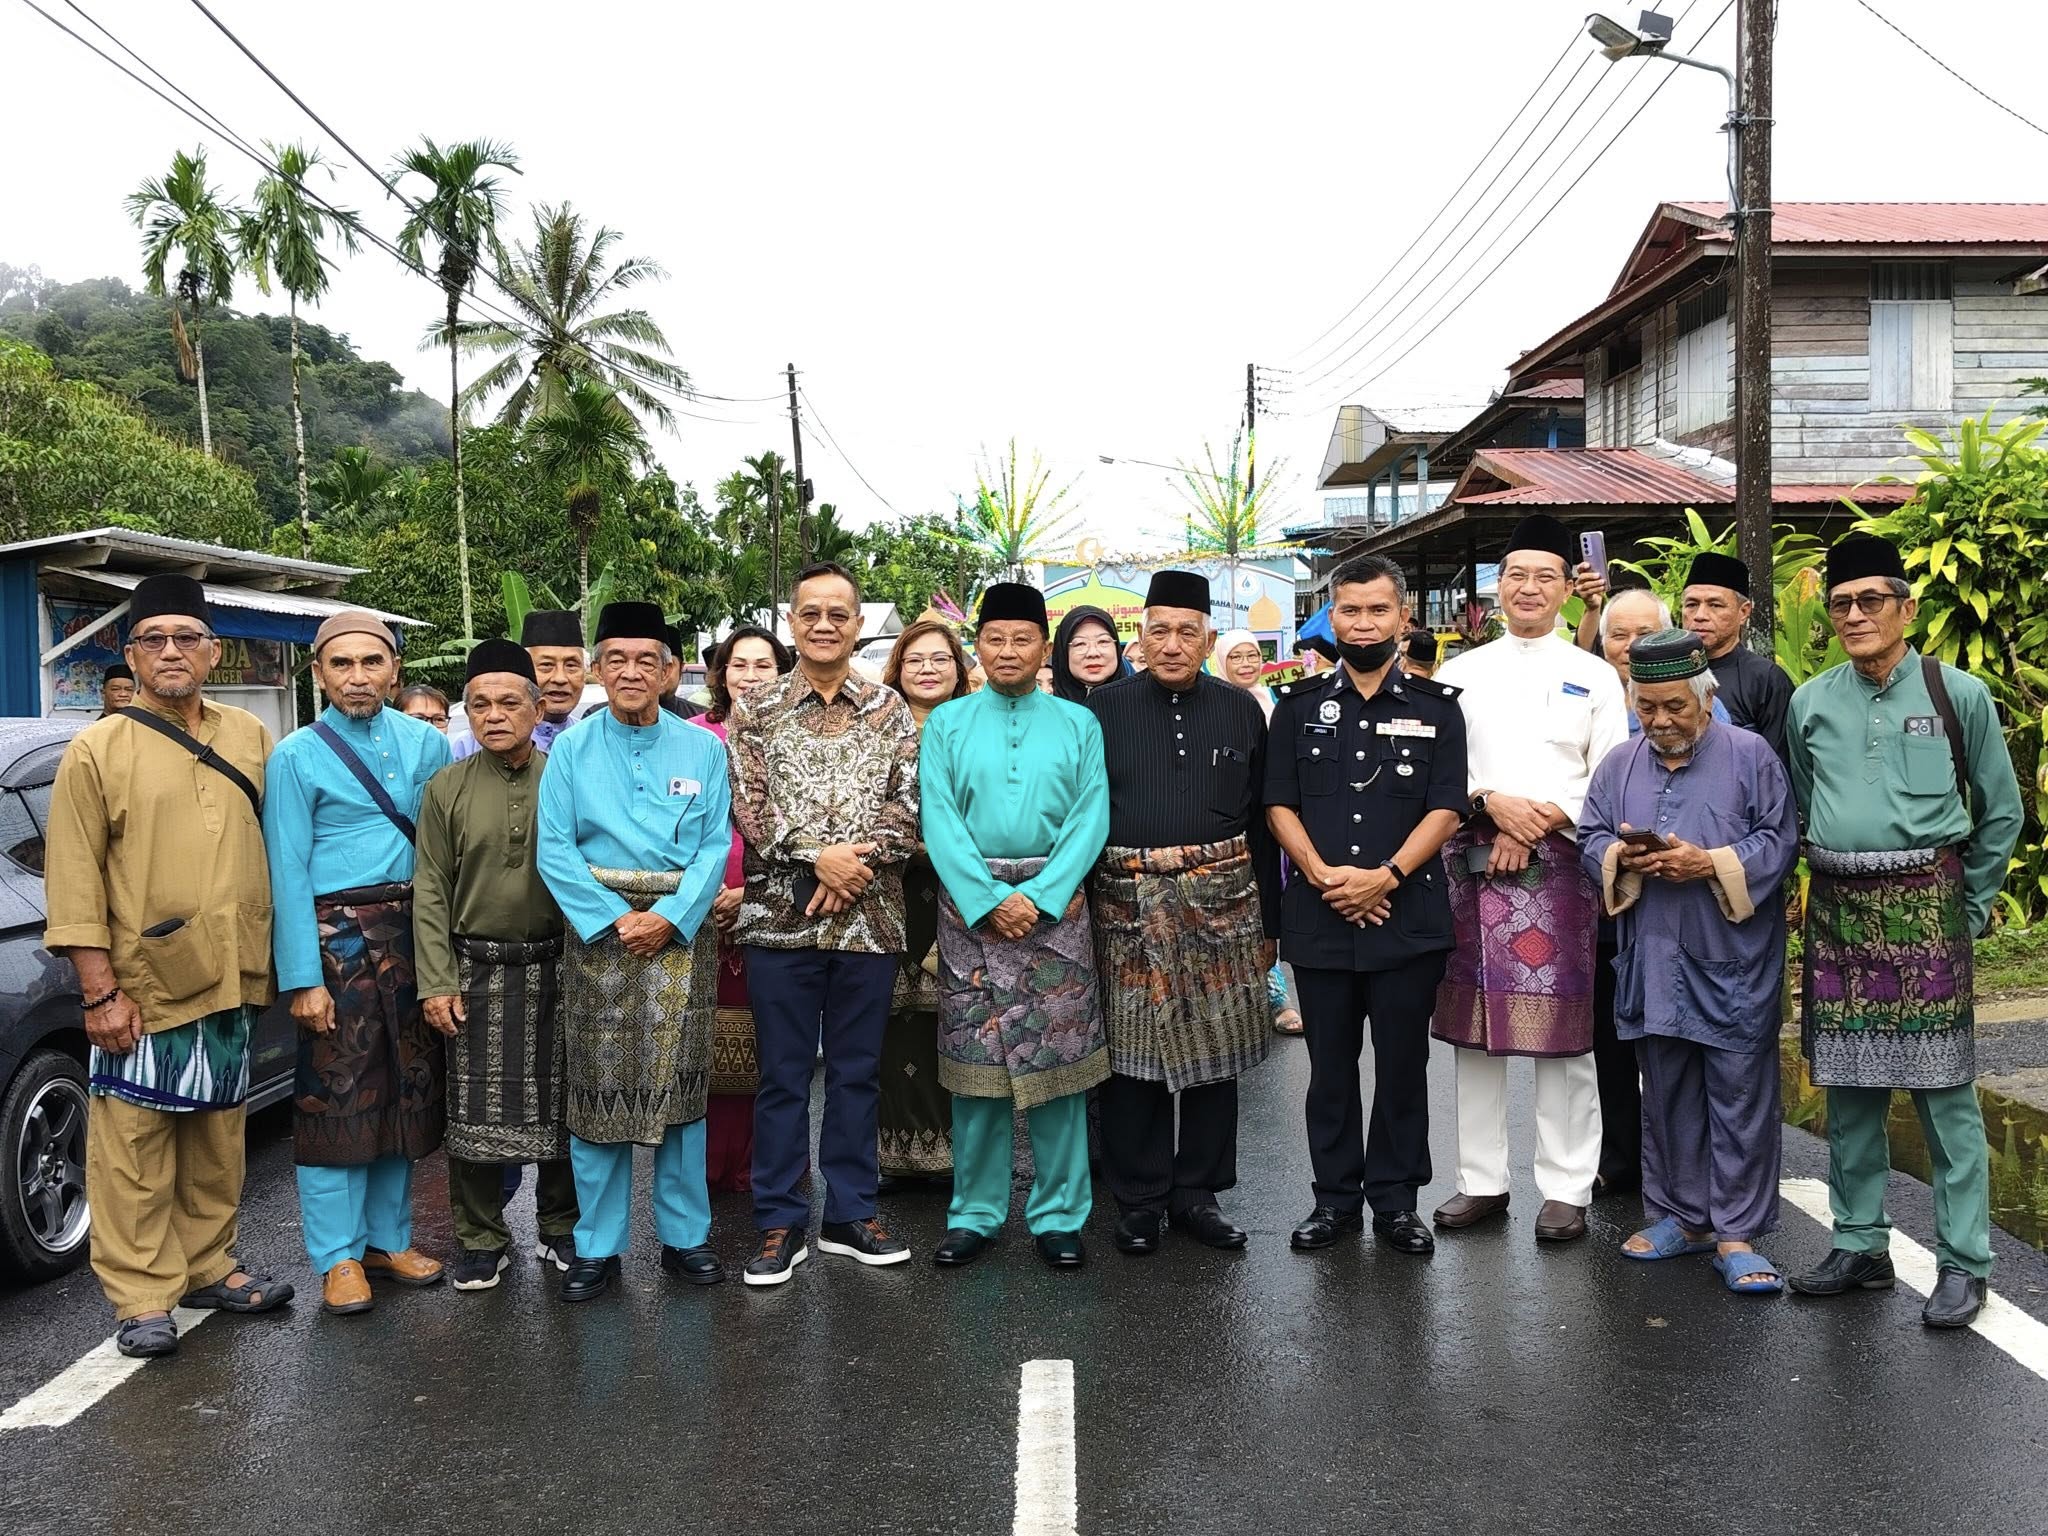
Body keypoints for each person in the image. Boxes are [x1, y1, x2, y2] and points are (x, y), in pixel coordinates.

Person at [43, 575, 291, 1358]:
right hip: (143, 983)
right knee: (135, 1144)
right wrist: (99, 992)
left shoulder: (249, 736)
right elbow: (74, 879)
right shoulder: (98, 749)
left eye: (188, 637)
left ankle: (208, 1264)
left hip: (234, 971)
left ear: (213, 652)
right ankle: (143, 1296)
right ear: (132, 655)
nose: (172, 651)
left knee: (218, 1134)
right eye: (155, 639)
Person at [1785, 532, 2024, 1328]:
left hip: (1929, 908)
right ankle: (1860, 1244)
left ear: (1906, 608)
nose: (1854, 615)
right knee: (1850, 1086)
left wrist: (1972, 907)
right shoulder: (1810, 702)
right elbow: (1801, 800)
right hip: (1840, 909)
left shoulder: (1959, 695)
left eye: (1870, 600)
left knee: (1943, 1093)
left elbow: (2000, 811)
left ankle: (1964, 1263)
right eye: (1841, 604)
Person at [1579, 630, 1800, 1294]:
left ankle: (1737, 1232)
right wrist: (1622, 858)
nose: (1661, 720)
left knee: (1739, 1093)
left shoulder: (1751, 755)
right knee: (1666, 1090)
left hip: (1733, 956)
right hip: (1653, 955)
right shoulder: (1619, 764)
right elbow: (1590, 836)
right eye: (1646, 707)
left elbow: (1780, 839)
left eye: (1675, 705)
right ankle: (1682, 1217)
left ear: (1707, 697)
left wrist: (1709, 863)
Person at [1431, 514, 1628, 1243]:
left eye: (1546, 576)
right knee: (1474, 1029)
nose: (1530, 588)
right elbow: (1442, 771)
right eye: (1517, 575)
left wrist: (1541, 818)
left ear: (1567, 587)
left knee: (1566, 1031)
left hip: (1564, 865)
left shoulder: (1595, 673)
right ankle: (1481, 1180)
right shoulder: (1460, 673)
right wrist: (1491, 804)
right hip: (1473, 862)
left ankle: (1568, 1186)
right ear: (1498, 586)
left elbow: (1611, 772)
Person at [1265, 556, 1468, 1256]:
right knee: (1329, 1070)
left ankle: (1397, 1202)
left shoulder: (1438, 708)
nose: (1362, 624)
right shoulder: (1297, 707)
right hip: (1321, 915)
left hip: (1405, 916)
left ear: (1402, 618)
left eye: (1377, 610)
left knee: (1403, 1068)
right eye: (1349, 610)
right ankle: (1334, 1200)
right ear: (1331, 617)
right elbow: (1278, 802)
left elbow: (1447, 806)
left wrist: (1386, 876)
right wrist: (1323, 875)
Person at [726, 562, 921, 1285]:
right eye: (811, 613)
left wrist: (850, 870)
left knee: (856, 1074)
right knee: (781, 1077)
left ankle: (850, 1213)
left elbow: (908, 807)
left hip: (869, 924)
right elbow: (749, 808)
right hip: (778, 923)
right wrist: (820, 860)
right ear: (791, 623)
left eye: (839, 613)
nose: (825, 624)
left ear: (859, 624)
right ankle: (780, 1220)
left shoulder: (890, 709)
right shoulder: (756, 711)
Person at [535, 602, 731, 1301]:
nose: (630, 671)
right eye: (615, 658)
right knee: (597, 1093)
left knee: (682, 1089)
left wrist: (670, 918)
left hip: (681, 938)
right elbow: (554, 848)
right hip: (600, 938)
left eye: (647, 659)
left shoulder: (704, 749)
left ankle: (685, 1237)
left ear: (670, 671)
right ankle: (596, 1246)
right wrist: (614, 919)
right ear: (597, 669)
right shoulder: (571, 750)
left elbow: (714, 846)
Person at [264, 611, 452, 1314]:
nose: (357, 677)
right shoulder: (295, 756)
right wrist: (302, 979)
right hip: (335, 940)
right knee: (335, 1096)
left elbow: (442, 848)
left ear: (394, 670)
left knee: (405, 1089)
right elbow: (286, 869)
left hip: (410, 932)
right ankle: (338, 1257)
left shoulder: (427, 745)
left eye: (372, 662)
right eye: (341, 664)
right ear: (318, 674)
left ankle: (388, 1240)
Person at [1088, 571, 1277, 1255]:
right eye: (1159, 631)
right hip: (1125, 903)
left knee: (1215, 1052)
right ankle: (1139, 1198)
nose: (1172, 645)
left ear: (1207, 638)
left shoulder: (1240, 709)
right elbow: (1083, 813)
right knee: (1132, 1056)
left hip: (1224, 904)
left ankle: (1198, 1193)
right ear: (1140, 637)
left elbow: (1263, 822)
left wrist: (1271, 924)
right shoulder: (1102, 708)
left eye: (1186, 632)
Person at [922, 583, 1109, 1269]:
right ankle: (974, 1214)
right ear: (977, 645)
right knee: (977, 1072)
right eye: (994, 638)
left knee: (1059, 1067)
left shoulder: (1079, 723)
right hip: (970, 912)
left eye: (1021, 639)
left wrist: (1044, 894)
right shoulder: (946, 723)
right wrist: (986, 898)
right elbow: (938, 816)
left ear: (1043, 647)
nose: (1007, 651)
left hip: (1056, 912)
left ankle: (1060, 1215)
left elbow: (1092, 814)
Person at [412, 640, 579, 1291]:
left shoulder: (563, 778)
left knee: (564, 1106)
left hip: (559, 966)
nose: (494, 715)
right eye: (480, 705)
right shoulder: (447, 787)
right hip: (474, 970)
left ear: (536, 709)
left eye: (509, 703)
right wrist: (436, 981)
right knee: (473, 1110)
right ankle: (481, 1238)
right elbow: (431, 889)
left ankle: (561, 1228)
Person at [691, 624, 794, 1194]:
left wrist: (750, 894)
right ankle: (701, 1167)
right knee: (703, 1043)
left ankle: (765, 1168)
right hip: (698, 910)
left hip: (775, 908)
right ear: (722, 673)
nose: (751, 676)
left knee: (771, 1046)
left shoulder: (797, 736)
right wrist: (706, 894)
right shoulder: (693, 736)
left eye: (764, 665)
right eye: (740, 664)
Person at [877, 619, 973, 1183]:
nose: (927, 669)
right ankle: (892, 1159)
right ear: (898, 670)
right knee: (894, 1028)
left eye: (940, 659)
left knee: (958, 1022)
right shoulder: (875, 732)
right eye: (915, 660)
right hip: (891, 892)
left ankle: (960, 1159)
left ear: (959, 670)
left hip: (962, 892)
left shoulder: (977, 730)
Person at [1681, 551, 1794, 764]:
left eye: (1715, 605)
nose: (1700, 615)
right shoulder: (1669, 673)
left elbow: (1776, 768)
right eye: (1691, 604)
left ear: (1743, 612)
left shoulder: (1765, 679)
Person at [452, 610, 589, 761]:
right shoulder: (470, 745)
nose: (560, 678)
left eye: (571, 665)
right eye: (546, 665)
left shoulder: (592, 738)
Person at [1050, 605, 1129, 703]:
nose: (1093, 653)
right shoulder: (1047, 709)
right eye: (1080, 644)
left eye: (1103, 641)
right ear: (1063, 653)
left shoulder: (1139, 701)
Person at [1211, 628, 1274, 720]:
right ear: (1222, 661)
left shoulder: (1274, 696)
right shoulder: (1211, 701)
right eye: (1236, 657)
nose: (1246, 664)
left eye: (1252, 655)